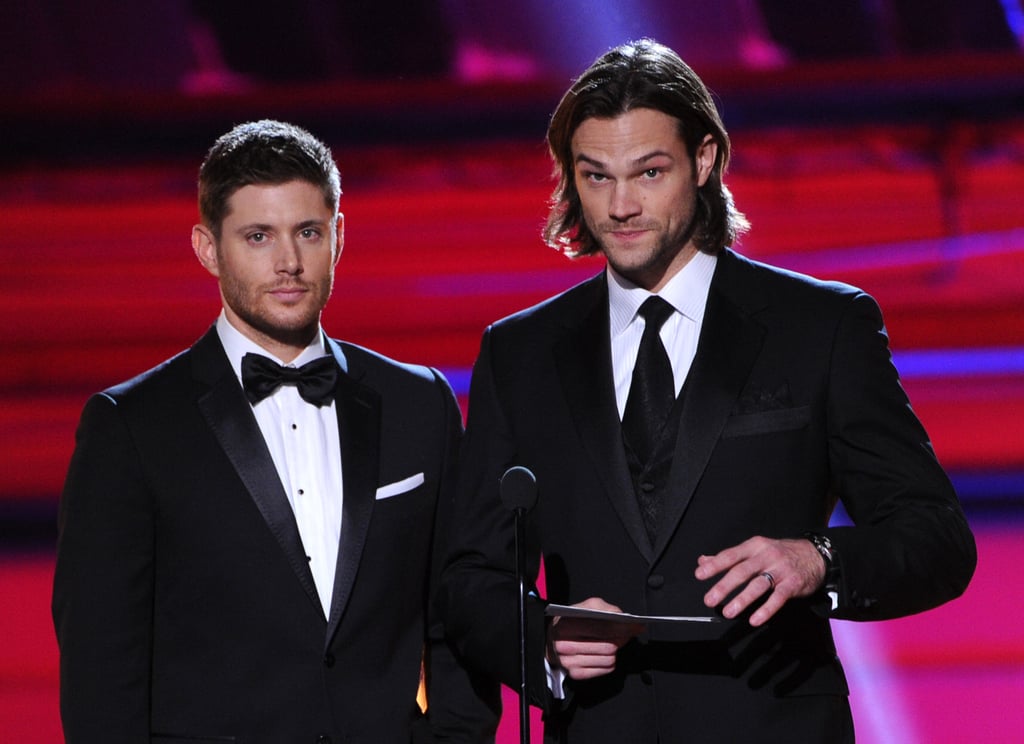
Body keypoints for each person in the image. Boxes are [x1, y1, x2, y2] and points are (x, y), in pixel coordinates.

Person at [438, 39, 977, 742]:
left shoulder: (821, 326)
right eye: (595, 177)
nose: (621, 205)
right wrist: (543, 634)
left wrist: (819, 559)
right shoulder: (520, 352)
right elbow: (469, 576)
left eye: (649, 172)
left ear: (704, 159)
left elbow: (936, 539)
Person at [52, 119, 498, 743]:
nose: (288, 263)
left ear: (338, 237)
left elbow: (456, 612)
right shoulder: (131, 425)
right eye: (258, 236)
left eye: (308, 233)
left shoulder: (418, 403)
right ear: (208, 248)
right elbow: (102, 671)